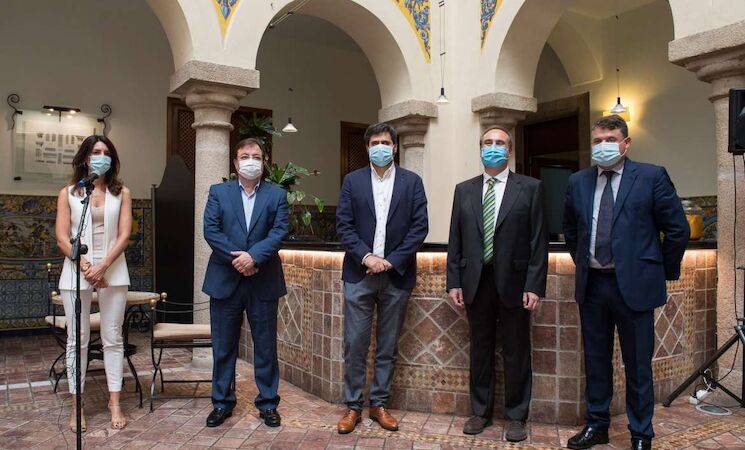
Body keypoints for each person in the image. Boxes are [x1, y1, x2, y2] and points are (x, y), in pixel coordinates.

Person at [562, 115, 689, 450]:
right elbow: (571, 230)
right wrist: (584, 262)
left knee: (637, 365)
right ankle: (597, 425)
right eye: (597, 140)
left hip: (634, 286)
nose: (603, 146)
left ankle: (641, 433)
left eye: (610, 140)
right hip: (593, 285)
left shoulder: (650, 176)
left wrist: (659, 271)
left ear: (626, 143)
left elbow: (677, 230)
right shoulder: (578, 181)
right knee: (596, 361)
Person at [446, 126, 548, 441]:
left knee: (517, 351)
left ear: (509, 150)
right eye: (488, 142)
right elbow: (456, 240)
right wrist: (454, 281)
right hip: (475, 281)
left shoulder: (530, 188)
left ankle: (517, 416)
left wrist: (534, 285)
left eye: (500, 143)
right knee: (480, 350)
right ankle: (480, 412)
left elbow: (538, 241)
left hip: (515, 283)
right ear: (480, 148)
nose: (493, 147)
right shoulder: (464, 190)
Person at [335, 122, 428, 434]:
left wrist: (390, 261)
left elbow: (419, 228)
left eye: (385, 143)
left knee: (387, 345)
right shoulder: (352, 181)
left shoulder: (412, 182)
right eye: (374, 143)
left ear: (395, 147)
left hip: (396, 275)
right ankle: (352, 406)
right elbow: (344, 225)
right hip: (358, 273)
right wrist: (367, 257)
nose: (380, 148)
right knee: (355, 343)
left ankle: (378, 404)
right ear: (367, 148)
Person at [202, 137, 289, 428]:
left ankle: (268, 403)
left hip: (263, 279)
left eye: (256, 157)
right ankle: (221, 403)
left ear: (264, 163)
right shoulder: (219, 192)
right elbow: (211, 230)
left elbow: (279, 231)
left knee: (265, 346)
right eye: (245, 156)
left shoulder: (277, 195)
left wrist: (254, 257)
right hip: (225, 279)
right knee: (223, 347)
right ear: (235, 162)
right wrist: (238, 259)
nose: (251, 161)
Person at [55, 135, 132, 431]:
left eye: (106, 152)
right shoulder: (69, 193)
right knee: (78, 339)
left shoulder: (122, 193)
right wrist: (87, 266)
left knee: (113, 337)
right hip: (77, 271)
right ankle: (78, 406)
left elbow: (124, 235)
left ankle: (115, 403)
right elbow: (62, 238)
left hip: (113, 269)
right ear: (85, 158)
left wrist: (102, 266)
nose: (102, 156)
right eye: (96, 152)